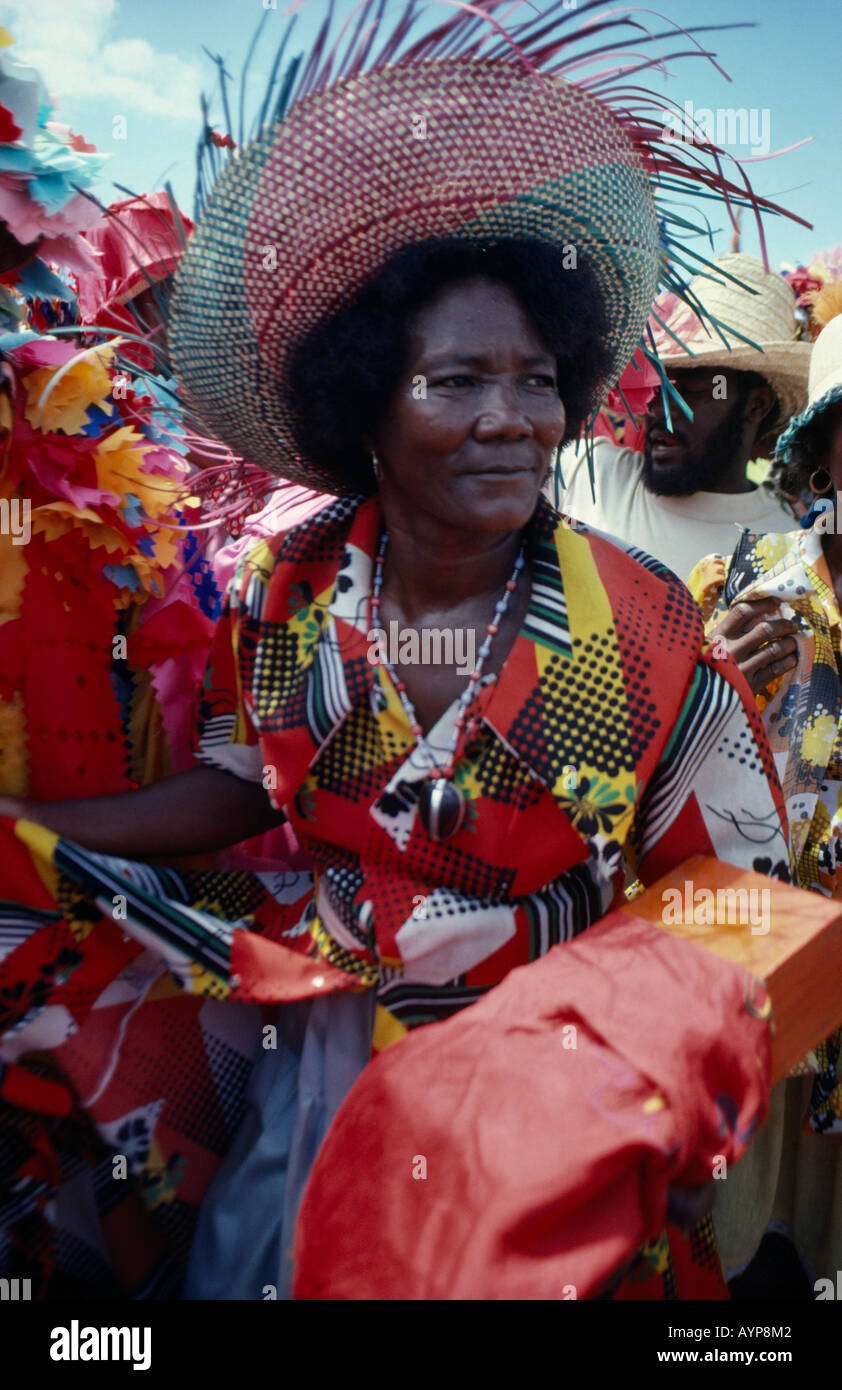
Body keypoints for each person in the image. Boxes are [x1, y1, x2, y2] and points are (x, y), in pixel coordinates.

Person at [0, 0, 802, 1299]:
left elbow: (743, 908)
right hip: (316, 1075)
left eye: (536, 379)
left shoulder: (635, 630)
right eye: (454, 381)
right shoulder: (290, 590)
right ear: (363, 399)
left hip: (545, 1131)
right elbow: (243, 778)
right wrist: (47, 816)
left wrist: (596, 1079)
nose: (510, 420)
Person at [689, 310, 842, 1293]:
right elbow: (656, 808)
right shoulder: (741, 588)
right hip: (758, 1012)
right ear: (822, 457)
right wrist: (708, 688)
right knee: (735, 1280)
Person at [559, 255, 810, 581]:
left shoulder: (789, 553)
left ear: (756, 406)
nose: (659, 409)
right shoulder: (584, 474)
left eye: (688, 391)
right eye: (654, 388)